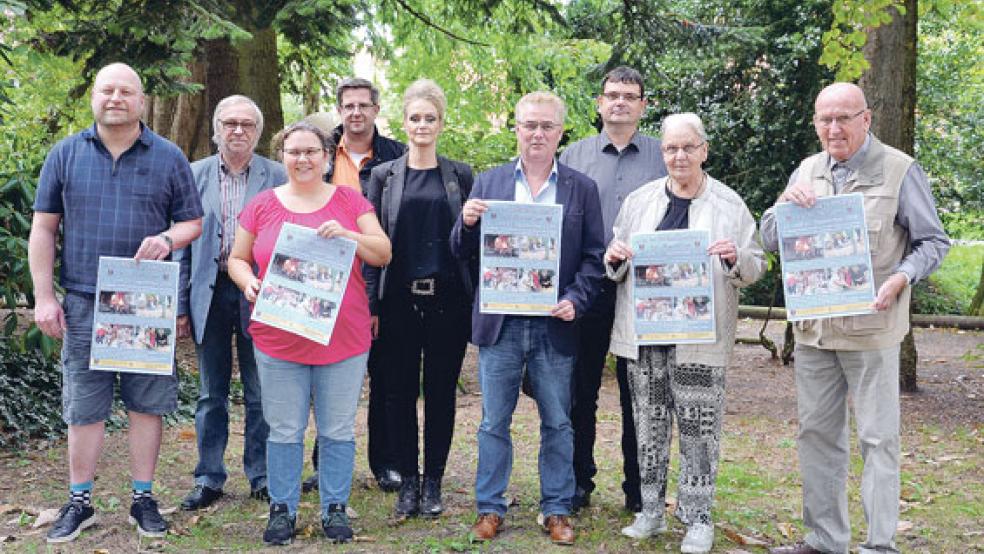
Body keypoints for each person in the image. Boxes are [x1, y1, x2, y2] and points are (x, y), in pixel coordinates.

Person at [762, 83, 950, 554]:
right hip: (815, 336)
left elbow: (933, 241)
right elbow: (767, 238)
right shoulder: (807, 169)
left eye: (844, 117)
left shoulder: (899, 170)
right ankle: (824, 540)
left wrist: (902, 278)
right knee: (817, 437)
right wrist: (784, 205)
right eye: (825, 119)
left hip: (872, 334)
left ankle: (879, 545)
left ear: (866, 119)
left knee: (877, 440)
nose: (833, 128)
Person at [28, 62, 203, 543]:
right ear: (94, 98)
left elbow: (194, 223)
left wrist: (168, 238)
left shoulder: (169, 157)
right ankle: (79, 501)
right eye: (107, 90)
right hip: (84, 301)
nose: (116, 99)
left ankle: (143, 499)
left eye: (127, 91)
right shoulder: (64, 154)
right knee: (84, 406)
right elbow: (43, 229)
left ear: (142, 101)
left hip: (147, 302)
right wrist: (44, 297)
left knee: (147, 404)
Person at [605, 113, 765, 553]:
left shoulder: (729, 205)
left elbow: (755, 264)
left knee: (699, 430)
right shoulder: (639, 201)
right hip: (645, 336)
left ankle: (698, 518)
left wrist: (736, 258)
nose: (679, 156)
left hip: (700, 338)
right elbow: (615, 260)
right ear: (663, 154)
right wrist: (615, 257)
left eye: (688, 147)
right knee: (647, 427)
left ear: (703, 151)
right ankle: (651, 511)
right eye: (671, 148)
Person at [451, 91, 605, 546]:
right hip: (500, 323)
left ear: (561, 132)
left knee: (558, 421)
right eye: (529, 125)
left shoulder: (581, 188)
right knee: (493, 422)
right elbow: (459, 250)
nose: (537, 134)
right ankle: (489, 508)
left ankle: (556, 507)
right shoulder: (489, 182)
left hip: (554, 323)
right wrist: (466, 221)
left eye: (547, 126)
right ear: (515, 128)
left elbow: (595, 258)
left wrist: (576, 298)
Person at [227, 122, 391, 545]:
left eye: (311, 152)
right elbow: (238, 258)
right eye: (293, 152)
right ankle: (282, 508)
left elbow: (383, 251)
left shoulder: (350, 200)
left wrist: (349, 235)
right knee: (283, 428)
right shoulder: (262, 204)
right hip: (279, 335)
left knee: (336, 428)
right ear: (282, 156)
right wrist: (248, 282)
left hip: (342, 337)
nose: (302, 159)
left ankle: (334, 507)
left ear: (326, 155)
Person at [558, 65, 668, 513]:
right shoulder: (572, 156)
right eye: (612, 95)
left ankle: (638, 490)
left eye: (629, 95)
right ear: (599, 104)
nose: (619, 101)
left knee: (639, 393)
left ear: (643, 105)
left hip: (645, 291)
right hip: (588, 287)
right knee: (578, 389)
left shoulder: (665, 155)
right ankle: (578, 481)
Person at [364, 79, 474, 518]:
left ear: (441, 123)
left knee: (442, 394)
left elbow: (471, 242)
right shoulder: (383, 176)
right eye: (415, 118)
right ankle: (407, 480)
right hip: (397, 302)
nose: (422, 125)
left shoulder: (460, 175)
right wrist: (371, 305)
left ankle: (434, 483)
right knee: (398, 392)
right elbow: (373, 248)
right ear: (404, 122)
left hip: (448, 301)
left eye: (430, 118)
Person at [175, 95, 287, 511]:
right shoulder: (194, 174)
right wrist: (179, 307)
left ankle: (261, 475)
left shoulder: (277, 175)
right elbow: (181, 245)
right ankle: (208, 477)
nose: (237, 130)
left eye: (246, 124)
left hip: (261, 293)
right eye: (230, 123)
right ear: (216, 129)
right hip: (209, 292)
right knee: (210, 393)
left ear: (258, 132)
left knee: (261, 391)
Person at [306, 77, 407, 494]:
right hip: (324, 280)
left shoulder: (398, 156)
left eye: (364, 105)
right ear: (340, 110)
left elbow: (395, 231)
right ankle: (323, 465)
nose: (356, 113)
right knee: (323, 377)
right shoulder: (319, 153)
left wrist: (378, 303)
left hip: (379, 273)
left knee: (385, 377)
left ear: (376, 110)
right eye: (348, 106)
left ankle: (386, 463)